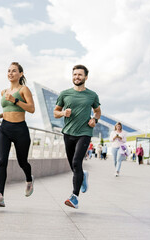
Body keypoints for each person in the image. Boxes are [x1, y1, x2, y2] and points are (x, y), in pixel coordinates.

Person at [54, 64, 101, 209]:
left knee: (76, 162)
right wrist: (63, 113)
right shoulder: (64, 94)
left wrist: (95, 120)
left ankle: (74, 197)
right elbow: (56, 112)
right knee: (74, 166)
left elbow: (97, 111)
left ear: (86, 77)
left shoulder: (92, 95)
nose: (77, 77)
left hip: (85, 133)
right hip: (68, 133)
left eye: (80, 75)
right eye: (75, 74)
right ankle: (83, 176)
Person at [0, 62, 35, 207]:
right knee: (2, 161)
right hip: (4, 129)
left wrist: (15, 100)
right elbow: (10, 110)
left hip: (20, 130)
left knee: (22, 162)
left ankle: (29, 179)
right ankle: (0, 195)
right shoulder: (3, 92)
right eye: (8, 71)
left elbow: (31, 109)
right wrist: (1, 115)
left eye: (14, 71)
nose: (10, 73)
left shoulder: (24, 89)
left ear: (20, 74)